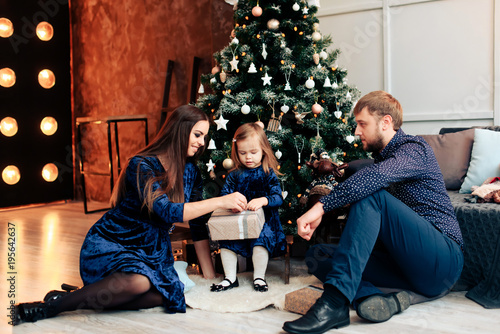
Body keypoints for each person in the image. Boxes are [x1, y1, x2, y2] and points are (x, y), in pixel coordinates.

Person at [13, 105, 248, 325]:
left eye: (204, 137)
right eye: (197, 135)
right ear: (180, 130)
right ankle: (52, 307)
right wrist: (220, 200)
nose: (201, 143)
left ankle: (82, 297)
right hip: (113, 242)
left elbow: (196, 222)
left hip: (152, 250)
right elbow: (166, 210)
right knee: (139, 282)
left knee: (170, 294)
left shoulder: (190, 170)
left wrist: (208, 273)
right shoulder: (141, 164)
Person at [283, 91, 464, 334]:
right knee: (319, 255)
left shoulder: (415, 149)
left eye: (362, 124)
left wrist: (320, 207)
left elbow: (374, 178)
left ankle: (335, 304)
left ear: (386, 122)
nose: (357, 132)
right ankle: (377, 299)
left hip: (442, 261)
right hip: (403, 267)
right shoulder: (381, 160)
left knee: (372, 193)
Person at [210, 123, 287, 293]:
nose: (248, 158)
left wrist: (263, 200)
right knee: (225, 240)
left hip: (264, 223)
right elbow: (225, 195)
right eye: (242, 153)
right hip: (238, 221)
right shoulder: (235, 175)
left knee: (262, 238)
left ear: (263, 150)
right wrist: (232, 203)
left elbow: (277, 197)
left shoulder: (267, 172)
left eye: (253, 153)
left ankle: (259, 276)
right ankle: (230, 277)